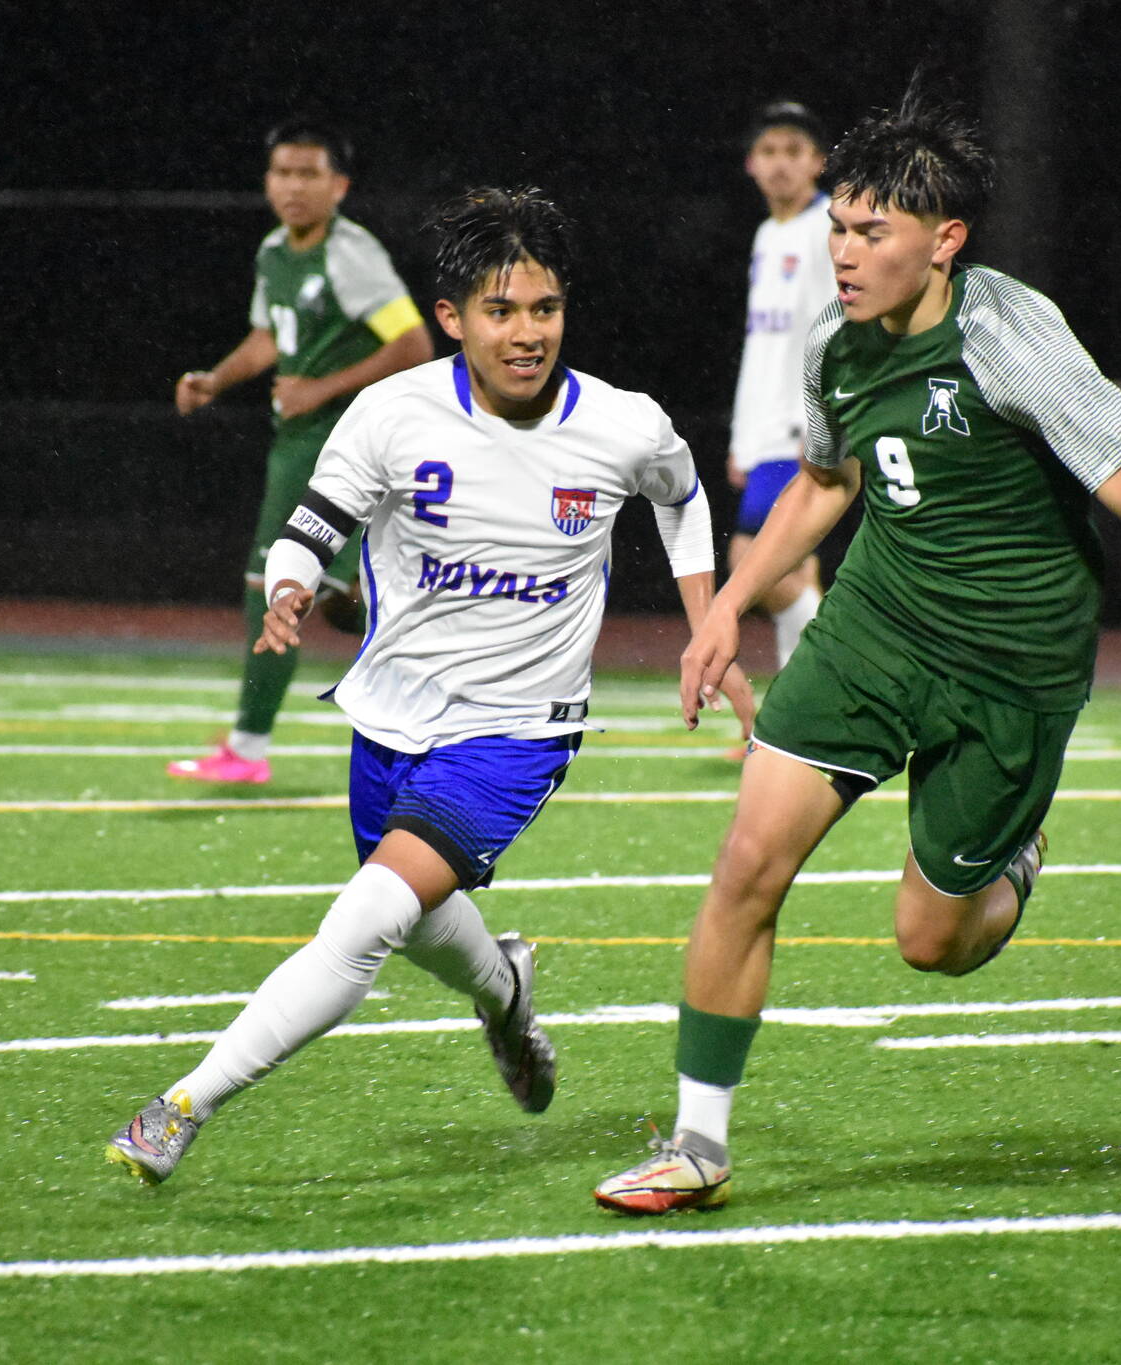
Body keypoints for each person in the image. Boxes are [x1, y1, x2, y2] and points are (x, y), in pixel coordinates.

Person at [593, 94, 1121, 1215]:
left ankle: (1008, 866)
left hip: (1010, 668)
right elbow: (831, 482)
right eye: (838, 228)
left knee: (928, 942)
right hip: (876, 632)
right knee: (747, 861)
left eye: (870, 232)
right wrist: (730, 603)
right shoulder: (838, 349)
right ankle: (696, 1144)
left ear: (943, 242)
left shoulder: (1004, 335)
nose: (841, 253)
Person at [107, 186, 754, 1187]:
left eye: (544, 308)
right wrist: (287, 587)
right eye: (501, 312)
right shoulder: (393, 414)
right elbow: (310, 529)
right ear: (450, 317)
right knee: (409, 919)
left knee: (365, 920)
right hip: (390, 714)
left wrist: (705, 618)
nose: (527, 332)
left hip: (517, 733)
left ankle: (183, 1104)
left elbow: (681, 498)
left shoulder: (622, 425)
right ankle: (502, 990)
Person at [167, 119, 432, 785]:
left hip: (341, 441)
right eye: (282, 172)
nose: (292, 186)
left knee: (269, 587)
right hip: (300, 443)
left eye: (308, 173)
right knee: (328, 598)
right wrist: (215, 380)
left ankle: (248, 748)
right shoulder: (274, 253)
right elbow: (267, 338)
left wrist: (320, 389)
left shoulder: (349, 252)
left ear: (339, 185)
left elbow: (413, 345)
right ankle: (399, 620)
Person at [727, 101, 834, 681]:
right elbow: (765, 344)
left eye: (794, 152)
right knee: (799, 568)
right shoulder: (769, 234)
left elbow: (838, 332)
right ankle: (801, 718)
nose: (780, 165)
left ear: (818, 162)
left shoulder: (827, 231)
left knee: (751, 562)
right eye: (769, 152)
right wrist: (743, 438)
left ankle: (837, 664)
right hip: (764, 431)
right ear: (750, 163)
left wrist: (819, 426)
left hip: (799, 428)